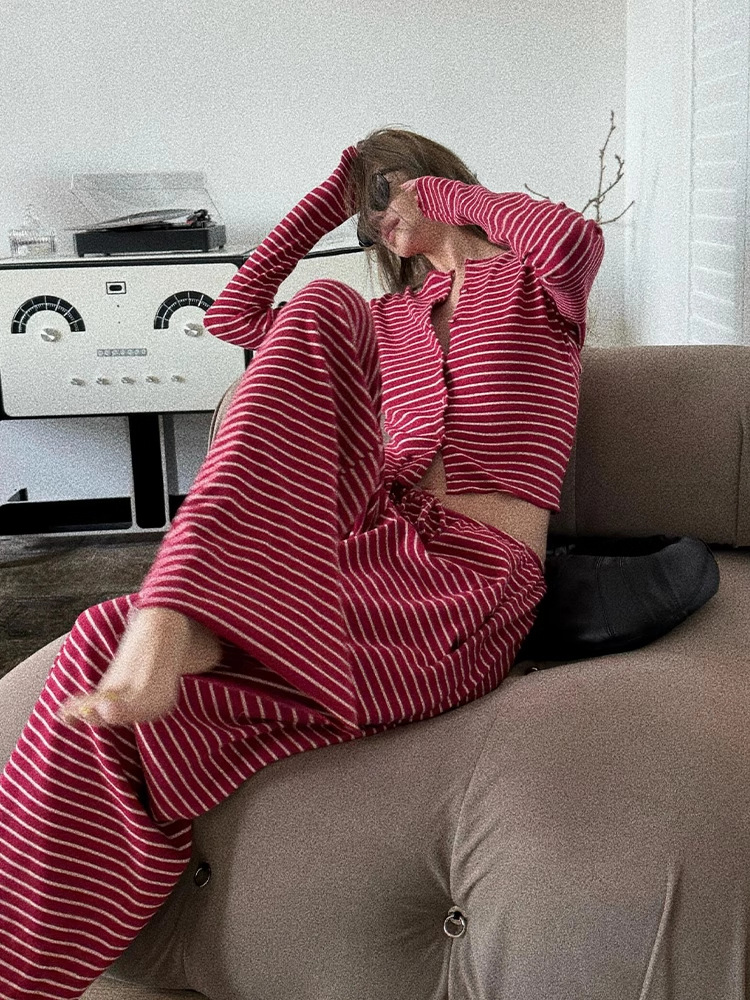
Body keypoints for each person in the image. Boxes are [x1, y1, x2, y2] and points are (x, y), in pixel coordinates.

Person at [0, 126, 604, 998]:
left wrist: (436, 196)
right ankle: (181, 608)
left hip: (461, 583)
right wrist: (330, 196)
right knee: (321, 305)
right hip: (363, 542)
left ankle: (189, 612)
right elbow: (233, 317)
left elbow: (571, 235)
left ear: (434, 182)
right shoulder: (389, 318)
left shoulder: (537, 287)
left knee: (100, 637)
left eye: (386, 193)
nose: (377, 216)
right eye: (367, 207)